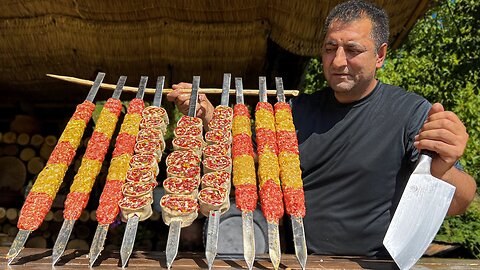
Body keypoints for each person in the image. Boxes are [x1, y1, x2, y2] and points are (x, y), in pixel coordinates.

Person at [166, 0, 477, 257]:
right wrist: (209, 117)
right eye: (330, 48)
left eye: (352, 49)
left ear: (380, 55)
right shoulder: (296, 112)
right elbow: (252, 158)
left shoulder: (411, 113)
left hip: (374, 263)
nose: (338, 61)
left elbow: (460, 202)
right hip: (299, 258)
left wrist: (443, 167)